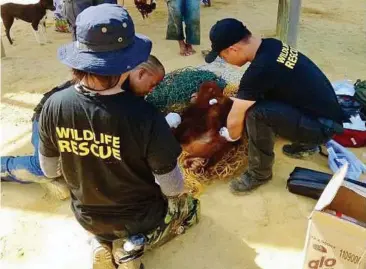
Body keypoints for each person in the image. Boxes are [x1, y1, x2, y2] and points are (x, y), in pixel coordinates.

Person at [38, 4, 199, 269]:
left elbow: (48, 169)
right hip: (142, 216)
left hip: (87, 214)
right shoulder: (145, 116)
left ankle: (100, 242)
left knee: (100, 222)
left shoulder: (54, 105)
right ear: (130, 62)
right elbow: (172, 186)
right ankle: (132, 247)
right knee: (189, 207)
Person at [204, 18, 345, 194]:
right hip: (327, 115)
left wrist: (229, 137)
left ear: (233, 49)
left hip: (321, 127)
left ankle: (259, 174)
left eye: (223, 56)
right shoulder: (272, 45)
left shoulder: (259, 69)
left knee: (257, 114)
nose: (225, 60)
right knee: (257, 98)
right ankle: (306, 143)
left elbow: (235, 120)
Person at [0, 55, 166, 201]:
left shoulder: (126, 90)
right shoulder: (110, 83)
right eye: (153, 84)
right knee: (42, 168)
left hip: (77, 123)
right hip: (51, 118)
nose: (153, 90)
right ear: (141, 73)